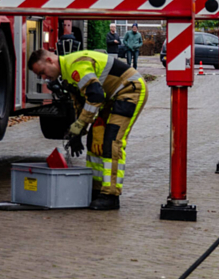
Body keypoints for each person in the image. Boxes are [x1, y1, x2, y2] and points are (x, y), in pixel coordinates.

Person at [28, 47, 147, 211]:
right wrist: (79, 132)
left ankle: (111, 196)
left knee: (112, 141)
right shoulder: (67, 76)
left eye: (42, 72)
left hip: (130, 90)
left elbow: (95, 96)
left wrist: (79, 126)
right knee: (95, 139)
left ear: (50, 61)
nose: (44, 78)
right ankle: (97, 191)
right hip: (111, 98)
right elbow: (81, 103)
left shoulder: (77, 66)